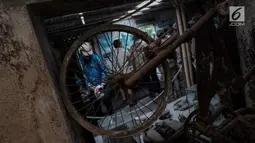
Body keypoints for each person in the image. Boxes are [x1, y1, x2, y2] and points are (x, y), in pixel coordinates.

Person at [78, 42, 112, 116]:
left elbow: (103, 70)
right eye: (87, 56)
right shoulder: (81, 62)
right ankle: (101, 119)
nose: (89, 57)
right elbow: (83, 75)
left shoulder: (95, 57)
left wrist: (102, 84)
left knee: (107, 101)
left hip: (102, 83)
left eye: (89, 55)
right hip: (91, 87)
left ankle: (111, 115)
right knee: (96, 106)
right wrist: (90, 86)